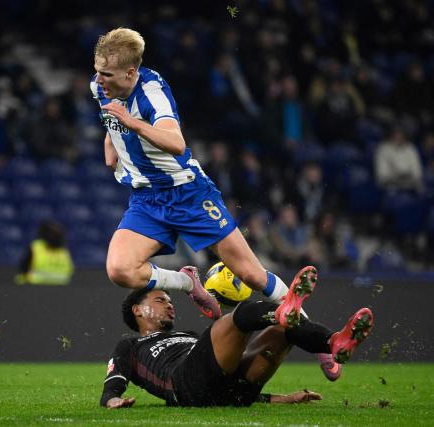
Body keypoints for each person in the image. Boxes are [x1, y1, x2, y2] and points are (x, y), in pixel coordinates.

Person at [90, 27, 341, 380]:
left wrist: (129, 122)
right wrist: (113, 141)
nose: (99, 80)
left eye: (107, 74)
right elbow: (111, 116)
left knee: (252, 275)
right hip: (147, 200)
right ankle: (189, 283)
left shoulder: (152, 94)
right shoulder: (100, 86)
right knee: (120, 270)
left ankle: (323, 343)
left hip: (188, 194)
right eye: (97, 70)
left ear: (131, 73)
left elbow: (175, 143)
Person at [100, 266, 374, 408]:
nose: (170, 305)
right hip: (185, 386)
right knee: (240, 317)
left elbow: (221, 376)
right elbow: (114, 381)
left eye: (170, 300)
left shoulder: (189, 336)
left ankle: (334, 342)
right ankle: (287, 313)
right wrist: (113, 400)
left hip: (235, 391)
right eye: (161, 299)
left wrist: (282, 398)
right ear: (137, 310)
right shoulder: (132, 345)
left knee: (281, 331)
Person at [15, 220, 74, 285]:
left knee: (20, 279)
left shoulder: (36, 247)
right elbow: (70, 270)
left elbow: (24, 267)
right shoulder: (64, 250)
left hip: (36, 283)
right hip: (62, 284)